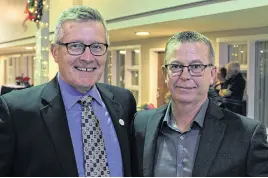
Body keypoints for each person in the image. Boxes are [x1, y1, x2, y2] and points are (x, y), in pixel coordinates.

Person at [0, 5, 137, 177]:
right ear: (55, 52)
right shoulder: (16, 111)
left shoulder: (124, 101)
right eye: (75, 46)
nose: (87, 58)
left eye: (96, 46)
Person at [133, 31, 268, 176]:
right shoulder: (141, 124)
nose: (185, 76)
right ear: (165, 74)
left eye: (196, 66)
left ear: (212, 74)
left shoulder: (248, 135)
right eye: (176, 66)